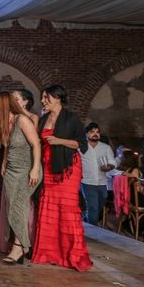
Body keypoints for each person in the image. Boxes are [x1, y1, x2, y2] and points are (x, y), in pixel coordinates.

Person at [32, 84, 92, 271]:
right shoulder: (43, 119)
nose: (43, 101)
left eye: (46, 97)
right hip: (48, 169)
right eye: (42, 98)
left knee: (67, 210)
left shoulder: (71, 118)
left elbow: (82, 144)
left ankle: (72, 254)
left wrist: (59, 141)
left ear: (57, 97)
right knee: (49, 209)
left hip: (68, 169)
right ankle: (49, 253)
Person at [0, 92, 42, 265]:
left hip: (27, 171)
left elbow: (36, 144)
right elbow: (7, 146)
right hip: (12, 171)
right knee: (11, 207)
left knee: (17, 209)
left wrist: (35, 169)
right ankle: (21, 244)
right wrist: (5, 162)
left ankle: (19, 246)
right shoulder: (7, 123)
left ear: (4, 104)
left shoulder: (22, 120)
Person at [80, 122, 116, 226]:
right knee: (93, 207)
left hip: (102, 181)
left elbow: (113, 162)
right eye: (92, 132)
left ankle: (87, 219)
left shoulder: (106, 147)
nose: (95, 134)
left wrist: (109, 167)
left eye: (97, 132)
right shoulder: (81, 147)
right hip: (87, 181)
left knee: (103, 200)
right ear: (86, 134)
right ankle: (93, 231)